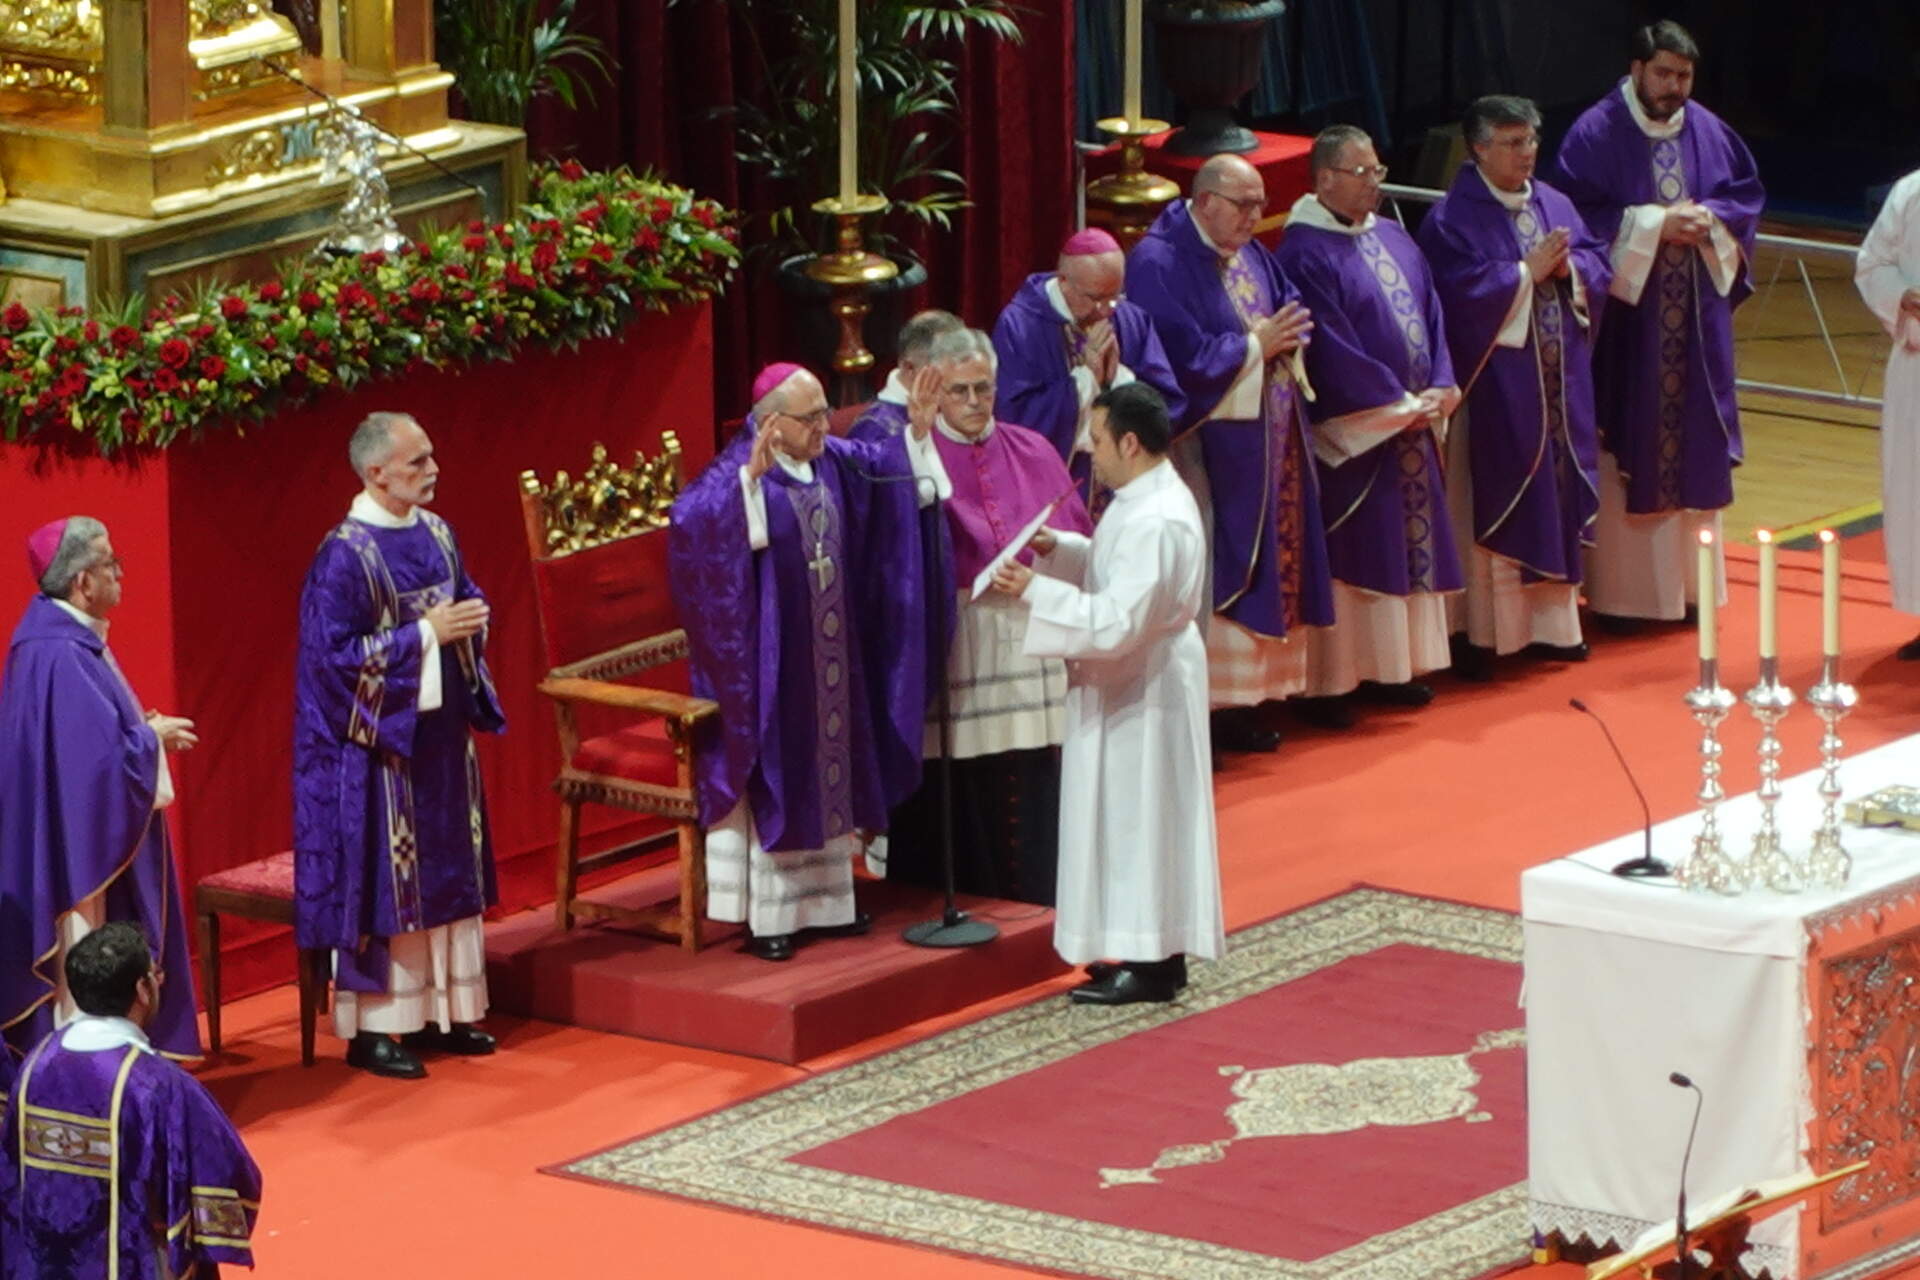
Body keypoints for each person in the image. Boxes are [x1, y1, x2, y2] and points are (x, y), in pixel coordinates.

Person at [670, 363, 953, 961]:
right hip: (772, 666)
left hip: (830, 656)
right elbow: (691, 527)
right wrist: (744, 490)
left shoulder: (830, 459)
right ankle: (769, 916)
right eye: (812, 416)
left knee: (831, 759)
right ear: (771, 423)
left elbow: (882, 469)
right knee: (782, 761)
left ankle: (828, 904)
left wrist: (917, 436)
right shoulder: (733, 475)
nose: (826, 424)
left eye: (825, 411)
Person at [992, 383, 1223, 1005]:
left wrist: (1034, 591)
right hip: (1137, 678)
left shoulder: (1155, 517)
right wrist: (1061, 551)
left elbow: (1121, 621)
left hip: (1143, 686)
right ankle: (1146, 950)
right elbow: (1119, 573)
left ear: (1129, 440)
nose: (1088, 451)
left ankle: (1151, 961)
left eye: (1096, 440)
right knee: (1129, 818)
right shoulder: (1143, 497)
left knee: (1140, 820)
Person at [294, 412, 506, 1080]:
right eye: (417, 462)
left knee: (449, 877)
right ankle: (380, 1027)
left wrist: (471, 623)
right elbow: (330, 662)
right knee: (391, 888)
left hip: (440, 739)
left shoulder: (439, 533)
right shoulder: (344, 555)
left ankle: (446, 1010)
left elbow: (463, 602)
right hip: (379, 754)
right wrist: (425, 637)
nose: (433, 470)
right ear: (375, 471)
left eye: (431, 456)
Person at [1548, 19, 1764, 628]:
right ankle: (1628, 597)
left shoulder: (1707, 128)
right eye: (1664, 73)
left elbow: (1743, 194)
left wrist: (1709, 219)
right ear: (1637, 69)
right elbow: (1574, 215)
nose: (1675, 88)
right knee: (1632, 433)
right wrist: (1651, 225)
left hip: (1695, 327)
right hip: (1631, 329)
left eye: (1685, 76)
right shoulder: (1596, 133)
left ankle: (1691, 592)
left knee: (1693, 437)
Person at [1127, 153, 1335, 752]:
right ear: (1205, 200)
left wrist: (1281, 342)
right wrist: (1253, 346)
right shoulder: (1158, 261)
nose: (1253, 217)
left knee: (1270, 551)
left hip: (1268, 432)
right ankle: (1211, 710)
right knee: (1216, 560)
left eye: (1259, 204)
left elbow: (1289, 304)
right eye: (1242, 204)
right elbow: (1174, 356)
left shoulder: (1246, 250)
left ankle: (1254, 698)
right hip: (1206, 446)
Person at [886, 329, 1092, 906]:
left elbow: (1078, 534)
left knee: (1029, 769)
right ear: (931, 389)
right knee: (965, 775)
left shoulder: (1032, 447)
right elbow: (897, 539)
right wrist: (920, 439)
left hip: (1028, 628)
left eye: (984, 388)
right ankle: (971, 892)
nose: (975, 402)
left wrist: (1050, 549)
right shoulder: (909, 451)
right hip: (960, 634)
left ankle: (1036, 888)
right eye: (959, 391)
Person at [1420, 96, 1612, 678]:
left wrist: (1572, 272)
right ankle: (1487, 632)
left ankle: (1555, 625)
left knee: (1556, 495)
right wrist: (1521, 275)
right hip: (1496, 393)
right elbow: (1451, 300)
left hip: (1558, 386)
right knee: (1496, 496)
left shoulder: (1553, 202)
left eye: (1530, 141)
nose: (1525, 153)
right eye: (1510, 142)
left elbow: (1598, 266)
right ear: (1478, 147)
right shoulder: (1452, 219)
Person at [1277, 125, 1463, 717]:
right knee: (1355, 550)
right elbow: (1329, 346)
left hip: (1411, 420)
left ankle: (1396, 667)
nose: (1374, 185)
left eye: (1378, 172)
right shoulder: (1303, 252)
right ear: (1325, 177)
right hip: (1358, 436)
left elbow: (1432, 313)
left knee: (1404, 547)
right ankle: (1334, 682)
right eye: (1362, 173)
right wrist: (1397, 406)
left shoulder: (1394, 236)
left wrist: (1439, 384)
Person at [0, 518, 201, 1064]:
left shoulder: (59, 639)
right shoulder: (60, 652)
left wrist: (142, 733)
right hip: (72, 860)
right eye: (111, 564)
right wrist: (147, 740)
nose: (119, 573)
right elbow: (87, 772)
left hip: (70, 833)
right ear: (83, 583)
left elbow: (84, 744)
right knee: (82, 955)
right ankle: (88, 1073)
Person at [1, 923, 261, 1278]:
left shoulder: (34, 1065)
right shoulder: (156, 1085)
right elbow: (227, 1172)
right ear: (142, 989)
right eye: (154, 974)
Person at [991, 228, 1185, 486]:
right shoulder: (1020, 327)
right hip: (1058, 488)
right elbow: (1014, 421)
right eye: (1095, 298)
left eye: (1114, 297)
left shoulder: (1131, 319)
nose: (1105, 311)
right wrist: (1084, 381)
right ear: (1063, 281)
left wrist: (1120, 381)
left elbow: (1167, 406)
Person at [1857, 169, 1920, 658]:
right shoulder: (1911, 191)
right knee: (1913, 494)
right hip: (1916, 368)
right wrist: (1902, 296)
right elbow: (1873, 262)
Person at [848, 310, 965, 442]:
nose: (959, 377)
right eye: (947, 366)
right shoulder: (874, 431)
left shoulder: (958, 410)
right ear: (909, 368)